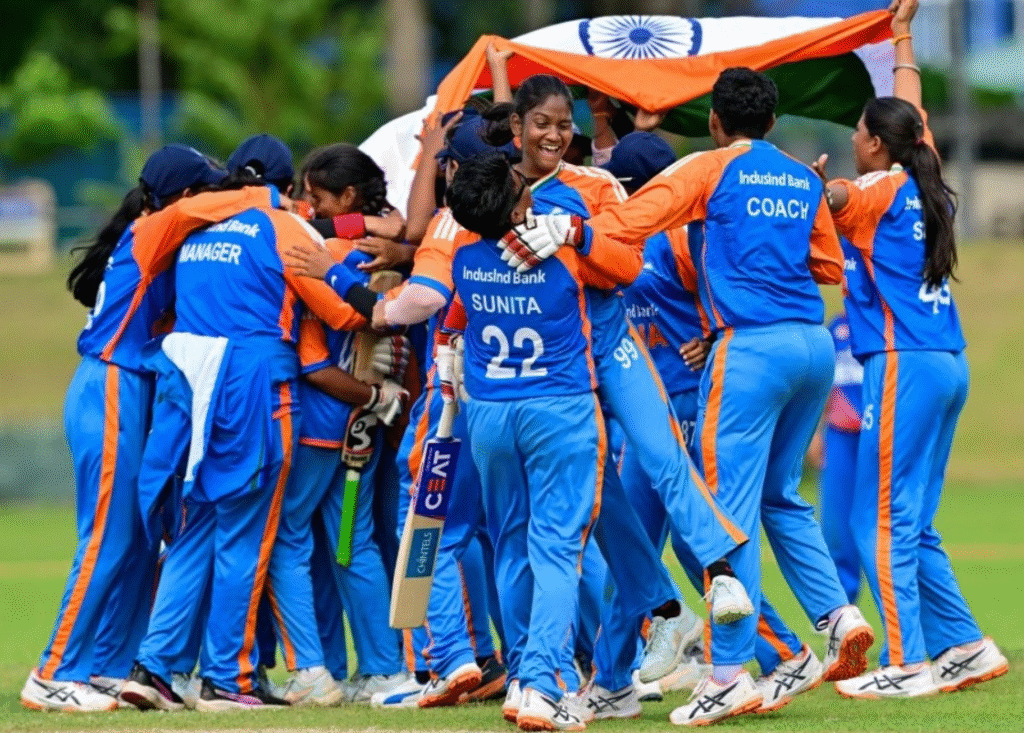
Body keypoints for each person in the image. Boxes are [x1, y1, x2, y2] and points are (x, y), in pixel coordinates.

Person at [503, 66, 876, 726]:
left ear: (713, 120)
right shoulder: (799, 177)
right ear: (772, 118)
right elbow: (827, 266)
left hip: (750, 349)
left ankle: (728, 674)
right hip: (813, 344)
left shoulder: (707, 169)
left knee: (722, 512)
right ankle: (838, 611)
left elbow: (634, 217)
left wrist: (570, 228)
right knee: (780, 495)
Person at [119, 133, 370, 712]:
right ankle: (227, 679)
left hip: (190, 386)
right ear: (286, 185)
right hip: (252, 386)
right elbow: (344, 312)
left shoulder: (193, 231)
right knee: (245, 534)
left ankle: (155, 668)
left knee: (195, 532)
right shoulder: (283, 227)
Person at [813, 0, 1009, 699]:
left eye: (860, 130)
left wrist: (810, 185)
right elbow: (912, 114)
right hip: (945, 360)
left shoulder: (871, 189)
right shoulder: (924, 184)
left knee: (881, 518)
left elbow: (838, 193)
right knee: (914, 517)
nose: (856, 136)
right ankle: (965, 646)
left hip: (903, 363)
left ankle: (906, 662)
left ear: (873, 145)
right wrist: (900, 38)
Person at [20, 145, 239, 713]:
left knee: (141, 540)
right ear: (183, 198)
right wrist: (261, 191)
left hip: (132, 388)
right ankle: (51, 673)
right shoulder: (152, 229)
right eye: (209, 189)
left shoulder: (162, 235)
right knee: (108, 539)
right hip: (112, 384)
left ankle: (105, 668)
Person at [445, 152, 641, 731]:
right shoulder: (563, 254)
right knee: (556, 547)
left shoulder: (463, 257)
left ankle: (524, 678)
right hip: (559, 409)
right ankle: (542, 684)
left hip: (490, 415)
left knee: (510, 545)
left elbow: (456, 319)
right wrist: (576, 232)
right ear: (515, 201)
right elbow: (628, 269)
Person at [269, 143, 412, 706]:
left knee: (287, 537)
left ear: (346, 196)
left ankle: (313, 670)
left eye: (317, 195)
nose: (307, 204)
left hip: (321, 427)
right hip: (363, 427)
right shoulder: (380, 251)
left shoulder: (318, 255)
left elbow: (313, 364)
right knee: (352, 544)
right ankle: (381, 668)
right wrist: (378, 397)